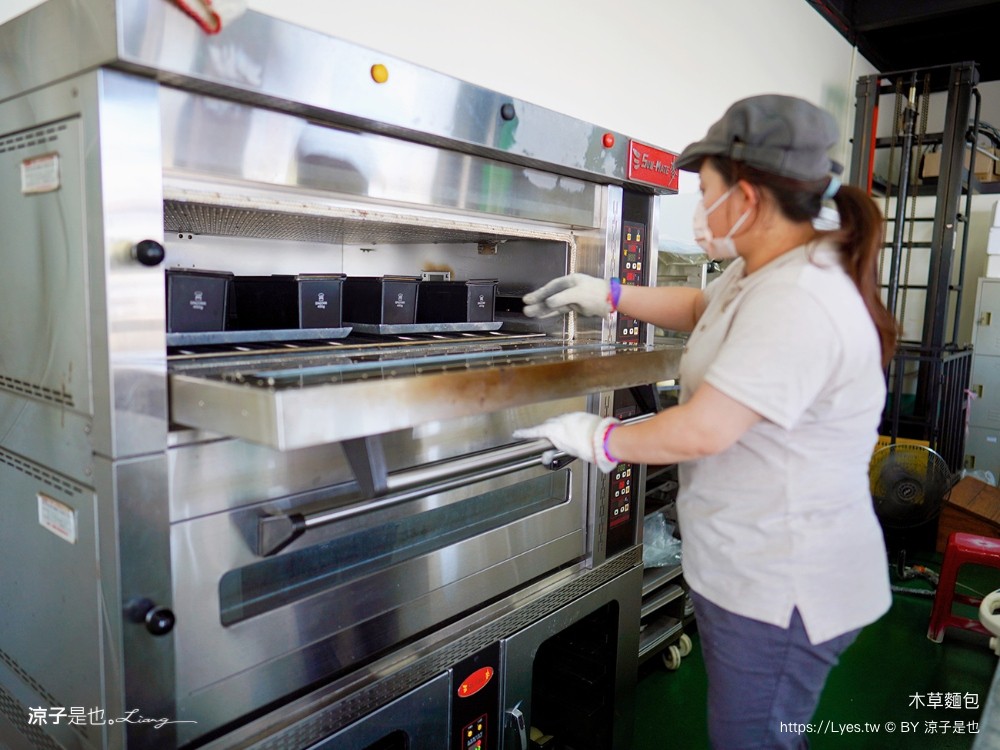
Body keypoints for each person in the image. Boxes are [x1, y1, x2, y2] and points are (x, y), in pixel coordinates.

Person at [513, 94, 897, 749]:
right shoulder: (768, 270)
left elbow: (702, 430)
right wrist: (607, 293)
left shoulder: (798, 299)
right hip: (754, 567)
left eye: (707, 190)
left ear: (746, 198)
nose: (701, 207)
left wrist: (595, 439)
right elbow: (697, 304)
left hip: (784, 589)